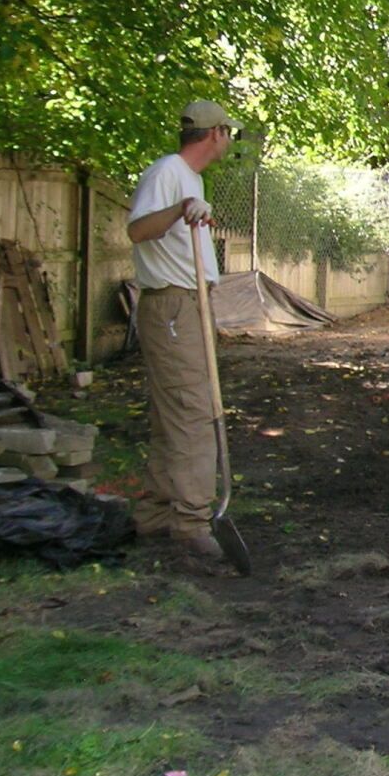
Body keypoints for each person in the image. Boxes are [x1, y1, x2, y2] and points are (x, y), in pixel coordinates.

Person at [127, 100, 240, 558]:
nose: (230, 140)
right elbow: (137, 231)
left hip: (189, 304)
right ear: (215, 133)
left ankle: (156, 513)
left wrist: (190, 207)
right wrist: (180, 209)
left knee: (171, 412)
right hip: (173, 306)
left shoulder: (188, 179)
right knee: (193, 412)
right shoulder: (167, 173)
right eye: (229, 132)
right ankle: (193, 524)